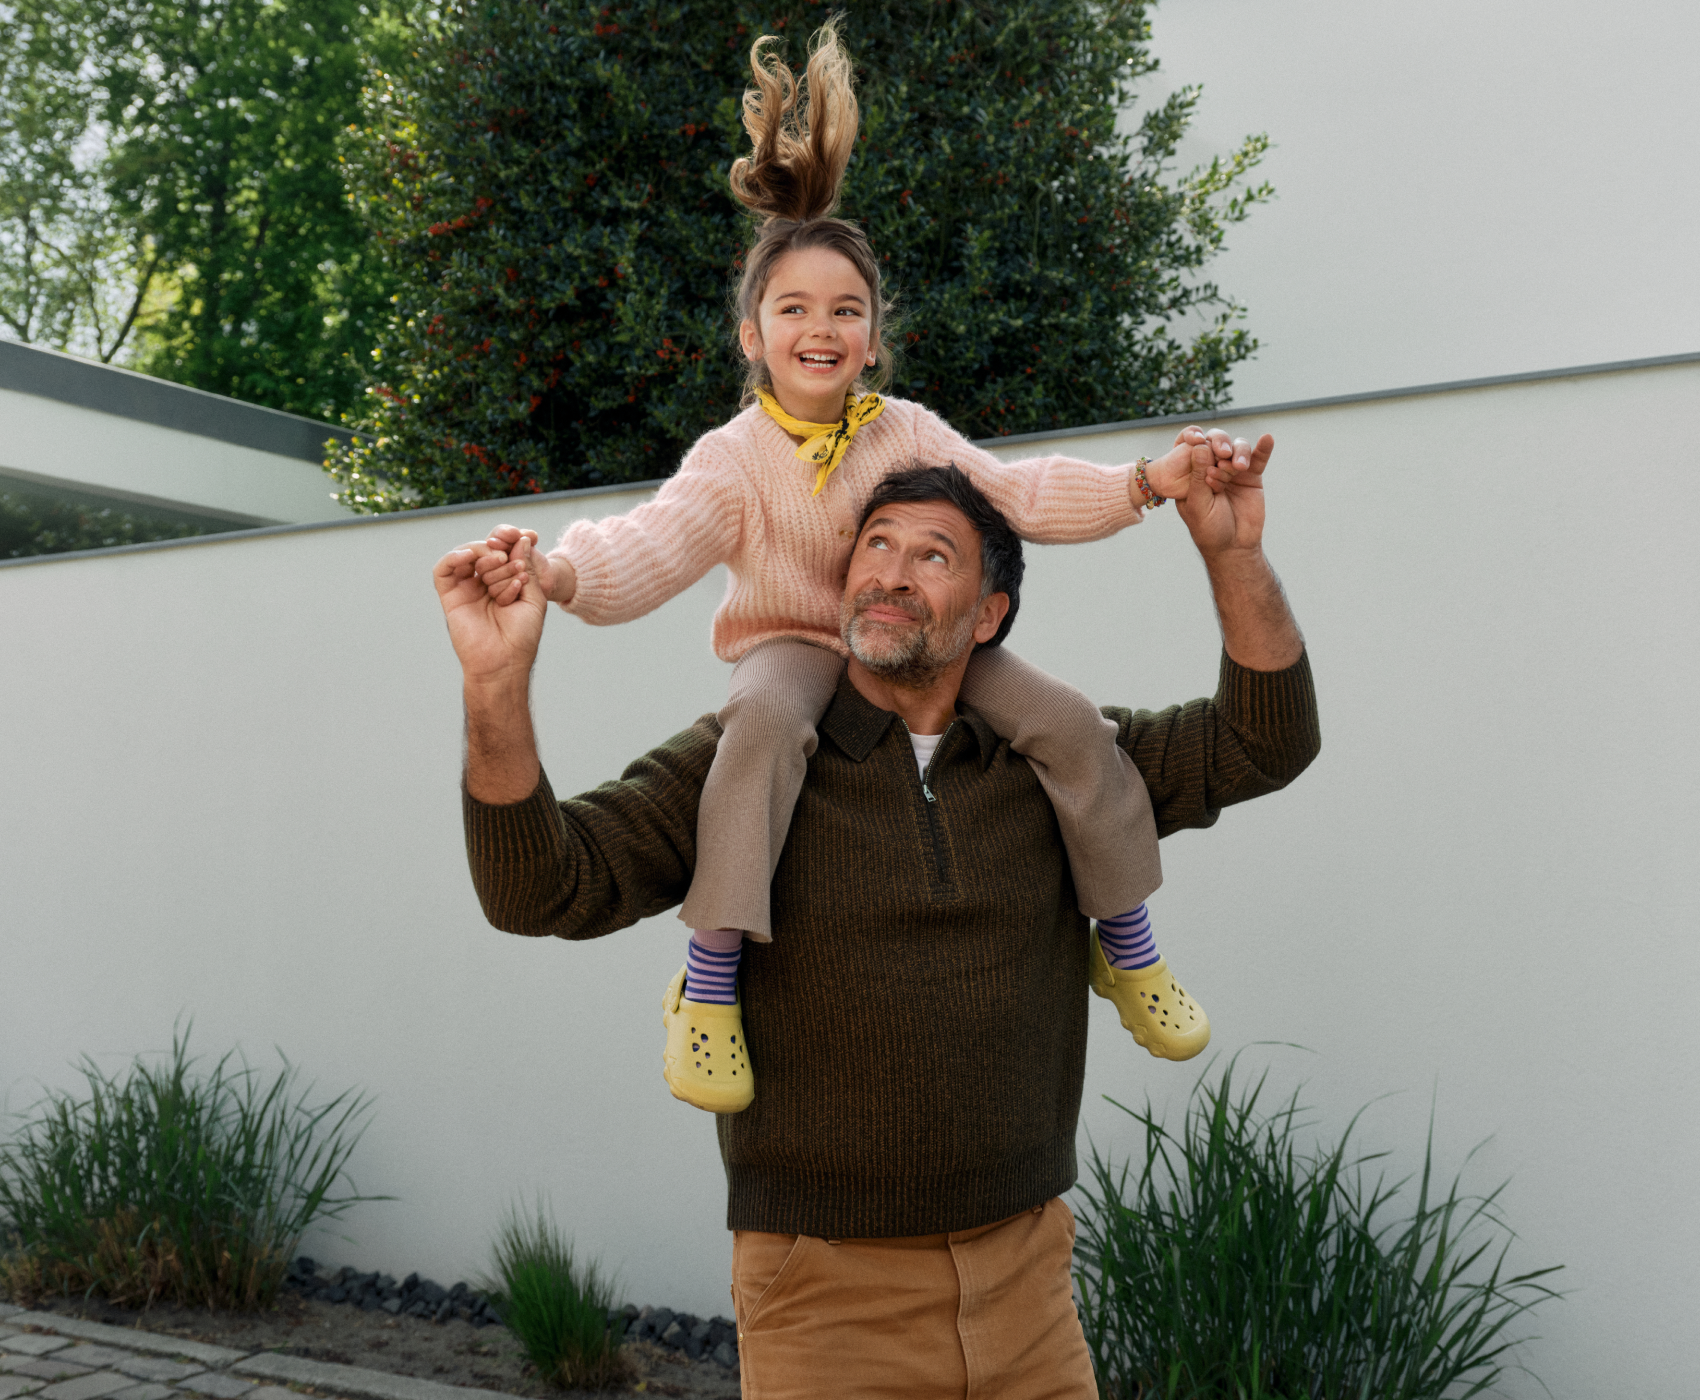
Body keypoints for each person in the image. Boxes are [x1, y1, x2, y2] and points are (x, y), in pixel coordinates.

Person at [433, 432, 1319, 1399]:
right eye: (877, 545)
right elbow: (538, 889)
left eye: (934, 555)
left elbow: (1265, 741)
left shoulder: (1060, 761)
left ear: (989, 615)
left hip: (1028, 1284)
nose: (892, 573)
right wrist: (495, 685)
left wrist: (1233, 553)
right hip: (825, 1297)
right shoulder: (748, 766)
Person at [469, 19, 1252, 1113]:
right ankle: (708, 984)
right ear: (753, 336)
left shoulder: (906, 429)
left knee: (1069, 719)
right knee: (758, 730)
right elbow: (652, 542)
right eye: (793, 309)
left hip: (911, 642)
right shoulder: (733, 459)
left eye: (846, 310)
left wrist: (1145, 482)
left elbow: (1017, 495)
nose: (821, 327)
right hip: (794, 646)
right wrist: (556, 575)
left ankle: (1125, 944)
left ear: (874, 337)